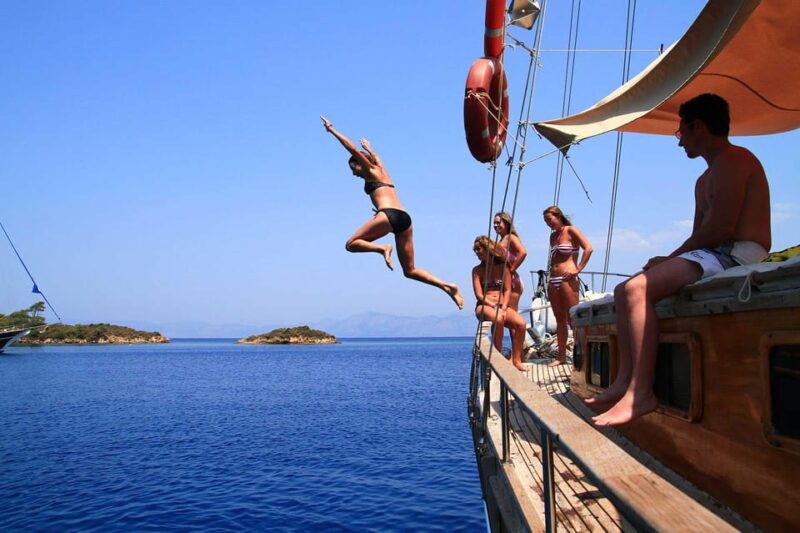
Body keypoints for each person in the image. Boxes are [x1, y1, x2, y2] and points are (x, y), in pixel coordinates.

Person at [590, 93, 771, 426]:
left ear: (697, 126)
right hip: (715, 252)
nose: (679, 142)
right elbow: (701, 236)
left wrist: (671, 259)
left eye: (680, 132)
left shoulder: (736, 160)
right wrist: (670, 260)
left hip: (737, 252)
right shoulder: (704, 180)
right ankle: (625, 381)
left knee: (635, 291)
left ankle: (641, 393)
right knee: (622, 291)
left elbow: (722, 228)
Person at [321, 116, 464, 309]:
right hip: (404, 219)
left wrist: (332, 131)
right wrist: (370, 148)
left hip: (387, 215)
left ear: (359, 163)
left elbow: (352, 149)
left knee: (351, 244)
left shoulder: (370, 170)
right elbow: (377, 157)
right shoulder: (382, 170)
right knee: (410, 271)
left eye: (352, 168)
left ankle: (382, 249)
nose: (353, 173)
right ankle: (448, 287)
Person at [543, 205, 593, 367]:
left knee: (573, 318)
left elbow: (589, 248)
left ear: (558, 216)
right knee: (559, 319)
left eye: (549, 219)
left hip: (567, 278)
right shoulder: (553, 237)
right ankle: (562, 356)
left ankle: (582, 356)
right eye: (545, 221)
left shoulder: (571, 230)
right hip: (553, 279)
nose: (548, 223)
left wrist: (577, 270)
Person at [472, 235, 527, 371]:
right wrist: (491, 304)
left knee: (521, 324)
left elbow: (508, 290)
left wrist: (503, 307)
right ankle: (498, 357)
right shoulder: (477, 270)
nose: (476, 252)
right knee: (498, 319)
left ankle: (516, 360)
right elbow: (479, 294)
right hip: (484, 306)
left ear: (487, 249)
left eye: (479, 249)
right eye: (475, 249)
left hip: (502, 305)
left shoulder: (504, 267)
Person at [493, 212, 527, 311]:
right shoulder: (500, 241)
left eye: (498, 223)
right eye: (494, 223)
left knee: (511, 313)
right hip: (503, 281)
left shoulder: (511, 237)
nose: (495, 225)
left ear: (506, 223)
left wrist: (511, 270)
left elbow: (523, 252)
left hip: (512, 281)